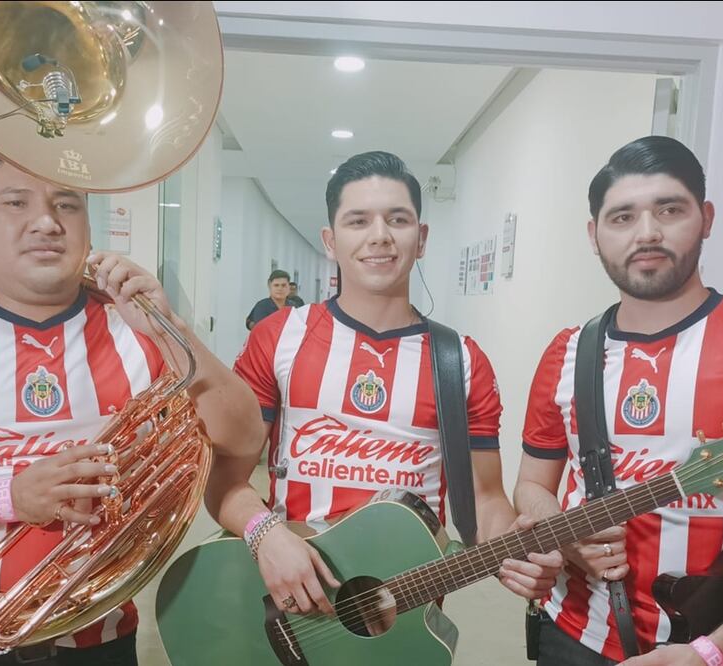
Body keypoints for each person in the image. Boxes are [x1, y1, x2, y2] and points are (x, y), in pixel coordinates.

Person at [0, 142, 263, 666]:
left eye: (66, 204)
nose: (46, 222)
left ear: (87, 225)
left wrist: (169, 327)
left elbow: (243, 436)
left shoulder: (136, 326)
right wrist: (9, 497)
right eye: (17, 202)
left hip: (100, 644)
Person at [513, 136, 723, 666]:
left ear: (706, 218)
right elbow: (532, 486)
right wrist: (563, 532)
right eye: (622, 217)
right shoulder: (566, 354)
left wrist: (714, 651)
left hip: (721, 640)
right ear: (594, 235)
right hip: (573, 632)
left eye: (669, 210)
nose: (647, 232)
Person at [206, 150, 563, 621]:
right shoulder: (280, 338)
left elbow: (485, 498)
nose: (380, 235)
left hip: (405, 619)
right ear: (330, 241)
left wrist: (513, 552)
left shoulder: (460, 362)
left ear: (422, 238)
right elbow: (224, 478)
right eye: (358, 221)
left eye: (398, 219)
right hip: (294, 612)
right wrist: (264, 534)